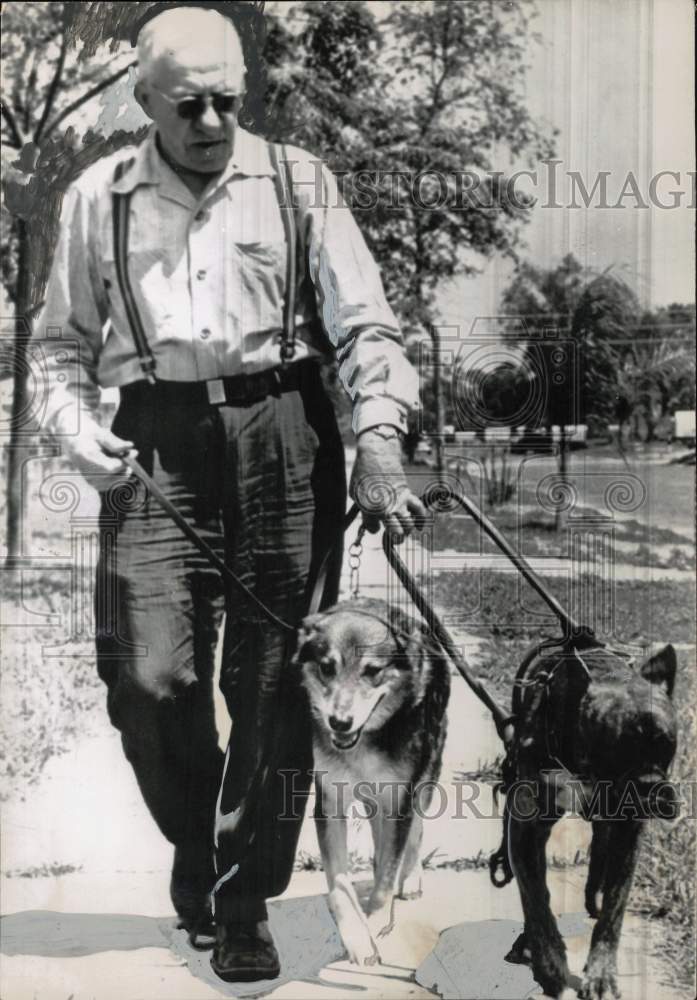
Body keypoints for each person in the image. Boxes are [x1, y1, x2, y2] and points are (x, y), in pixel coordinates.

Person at [38, 3, 424, 983]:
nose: (210, 123)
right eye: (187, 106)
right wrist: (83, 435)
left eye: (226, 101)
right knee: (148, 679)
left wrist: (378, 436)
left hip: (283, 431)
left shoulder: (299, 182)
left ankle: (244, 896)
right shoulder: (99, 198)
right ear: (145, 102)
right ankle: (201, 851)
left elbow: (368, 328)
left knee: (272, 684)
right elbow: (55, 350)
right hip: (152, 436)